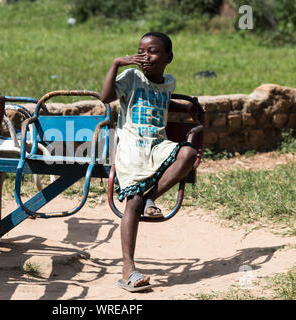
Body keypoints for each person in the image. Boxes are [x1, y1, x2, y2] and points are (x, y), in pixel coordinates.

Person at [100, 32, 199, 292]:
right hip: (132, 147)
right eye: (141, 51)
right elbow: (105, 98)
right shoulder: (131, 77)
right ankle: (128, 270)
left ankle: (150, 198)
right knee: (131, 201)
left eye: (152, 51)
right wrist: (116, 64)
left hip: (157, 145)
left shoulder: (168, 82)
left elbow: (161, 101)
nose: (145, 57)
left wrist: (186, 108)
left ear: (169, 57)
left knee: (188, 153)